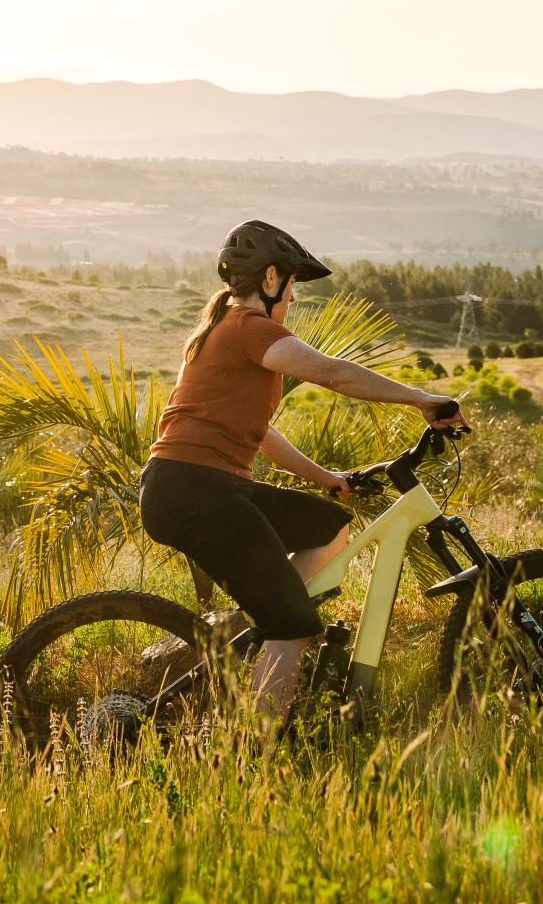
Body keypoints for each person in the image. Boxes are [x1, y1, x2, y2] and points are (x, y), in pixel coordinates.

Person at [140, 219, 462, 722]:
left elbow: (262, 434)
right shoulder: (249, 329)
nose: (292, 299)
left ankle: (256, 624)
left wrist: (326, 479)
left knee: (328, 525)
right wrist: (422, 399)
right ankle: (253, 754)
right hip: (197, 490)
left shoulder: (219, 333)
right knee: (293, 624)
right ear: (270, 279)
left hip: (192, 485)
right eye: (291, 287)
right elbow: (332, 372)